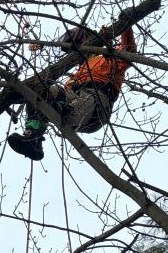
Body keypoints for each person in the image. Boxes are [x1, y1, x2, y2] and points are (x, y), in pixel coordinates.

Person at [7, 23, 137, 161]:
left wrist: (126, 25)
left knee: (77, 102)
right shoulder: (80, 70)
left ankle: (62, 111)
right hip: (75, 99)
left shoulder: (110, 59)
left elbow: (129, 51)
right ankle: (33, 138)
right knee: (48, 90)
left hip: (96, 105)